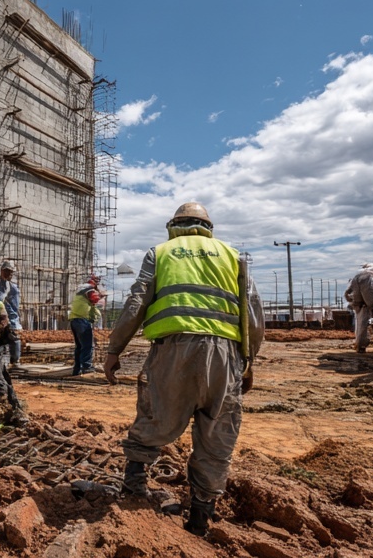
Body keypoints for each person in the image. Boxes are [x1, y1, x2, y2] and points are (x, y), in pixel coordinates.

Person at [103, 202, 260, 538]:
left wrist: (114, 350)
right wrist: (249, 361)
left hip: (173, 351)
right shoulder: (233, 257)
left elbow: (136, 303)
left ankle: (133, 491)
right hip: (224, 356)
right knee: (217, 438)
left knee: (155, 418)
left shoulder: (160, 253)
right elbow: (252, 314)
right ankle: (200, 520)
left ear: (173, 225)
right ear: (208, 227)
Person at [345, 262, 373, 352]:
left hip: (356, 286)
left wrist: (350, 300)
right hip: (369, 282)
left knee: (361, 315)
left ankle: (360, 344)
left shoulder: (358, 275)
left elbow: (348, 291)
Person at [0, 261, 22, 366]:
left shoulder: (13, 289)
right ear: (1, 271)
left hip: (9, 318)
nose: (9, 274)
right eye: (7, 271)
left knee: (14, 338)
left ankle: (15, 361)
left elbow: (14, 307)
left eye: (11, 272)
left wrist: (12, 321)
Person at [68, 282, 101, 375]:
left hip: (74, 321)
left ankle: (77, 369)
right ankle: (87, 367)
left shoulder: (79, 298)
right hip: (82, 322)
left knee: (79, 346)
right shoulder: (86, 295)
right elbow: (95, 300)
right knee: (87, 345)